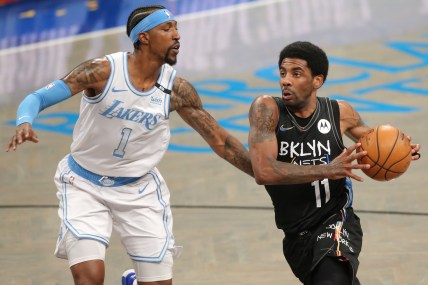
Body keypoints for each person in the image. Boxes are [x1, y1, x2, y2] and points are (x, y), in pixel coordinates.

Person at [6, 5, 256, 285]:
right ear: (144, 37)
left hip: (139, 190)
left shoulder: (177, 90)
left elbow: (221, 142)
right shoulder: (100, 72)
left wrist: (262, 175)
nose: (177, 36)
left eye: (176, 28)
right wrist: (24, 121)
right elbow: (37, 98)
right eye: (167, 29)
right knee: (89, 277)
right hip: (83, 183)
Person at [247, 41, 421, 285]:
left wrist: (401, 151)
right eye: (283, 73)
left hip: (337, 220)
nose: (286, 80)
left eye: (296, 74)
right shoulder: (267, 110)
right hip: (296, 234)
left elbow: (374, 142)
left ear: (317, 81)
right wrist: (328, 169)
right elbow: (263, 171)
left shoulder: (339, 112)